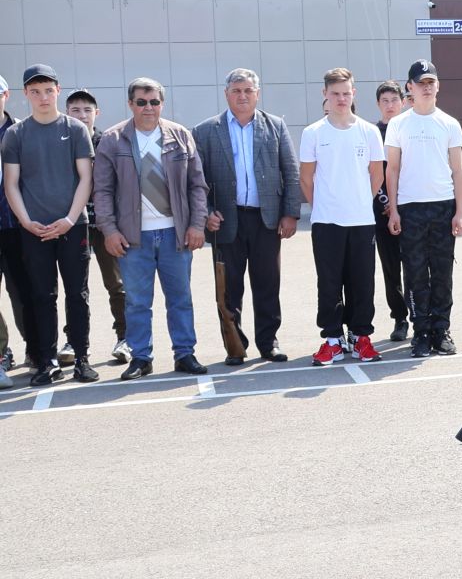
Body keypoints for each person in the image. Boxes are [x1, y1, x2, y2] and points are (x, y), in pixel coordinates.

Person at [91, 78, 211, 380]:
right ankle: (141, 358)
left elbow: (197, 185)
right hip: (134, 239)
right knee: (137, 302)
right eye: (142, 102)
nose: (148, 107)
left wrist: (197, 224)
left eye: (154, 102)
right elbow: (102, 190)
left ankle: (185, 354)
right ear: (130, 104)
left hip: (175, 234)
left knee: (180, 298)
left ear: (162, 103)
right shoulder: (113, 139)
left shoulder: (181, 136)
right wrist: (109, 230)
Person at [193, 69, 302, 365]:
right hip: (225, 221)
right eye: (237, 90)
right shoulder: (205, 130)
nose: (243, 96)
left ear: (257, 93)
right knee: (229, 287)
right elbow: (196, 180)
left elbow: (291, 173)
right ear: (226, 94)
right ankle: (235, 345)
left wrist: (290, 213)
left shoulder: (275, 126)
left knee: (267, 283)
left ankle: (268, 342)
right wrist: (205, 213)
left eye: (248, 90)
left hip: (265, 220)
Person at [1, 64, 97, 386]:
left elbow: (85, 178)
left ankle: (82, 358)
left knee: (77, 294)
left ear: (57, 91)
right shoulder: (16, 134)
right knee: (42, 295)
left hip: (73, 227)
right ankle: (47, 361)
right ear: (26, 94)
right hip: (34, 231)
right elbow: (11, 184)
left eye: (48, 90)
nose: (42, 97)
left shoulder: (76, 129)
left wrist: (70, 219)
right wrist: (26, 221)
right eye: (35, 91)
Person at [300, 68, 385, 365]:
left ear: (353, 93)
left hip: (362, 220)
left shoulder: (369, 131)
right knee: (329, 282)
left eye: (346, 93)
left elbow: (377, 174)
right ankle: (333, 340)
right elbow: (306, 179)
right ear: (325, 94)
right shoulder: (313, 133)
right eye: (335, 93)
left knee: (362, 281)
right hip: (326, 222)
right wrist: (323, 205)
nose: (341, 98)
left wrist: (360, 201)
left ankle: (361, 338)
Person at [383, 60, 462, 357]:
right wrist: (393, 209)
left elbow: (458, 171)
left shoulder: (449, 123)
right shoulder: (398, 124)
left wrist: (459, 212)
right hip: (410, 208)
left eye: (431, 82)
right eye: (421, 83)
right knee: (415, 273)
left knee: (442, 273)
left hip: (443, 207)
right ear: (410, 87)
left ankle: (441, 330)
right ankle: (421, 331)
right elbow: (391, 170)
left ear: (437, 86)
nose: (427, 87)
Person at [64, 88, 130, 365]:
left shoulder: (108, 142)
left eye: (87, 110)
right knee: (75, 287)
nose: (81, 115)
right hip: (72, 223)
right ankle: (75, 340)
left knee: (116, 283)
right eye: (75, 110)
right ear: (67, 113)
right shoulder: (61, 142)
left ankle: (126, 337)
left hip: (105, 224)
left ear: (96, 113)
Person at [372, 80, 411, 343]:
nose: (389, 106)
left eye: (393, 100)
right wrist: (387, 202)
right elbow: (373, 173)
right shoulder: (372, 133)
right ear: (378, 104)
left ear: (402, 101)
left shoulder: (410, 129)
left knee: (415, 266)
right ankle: (399, 317)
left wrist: (399, 202)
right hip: (381, 211)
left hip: (410, 209)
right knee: (390, 268)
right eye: (384, 101)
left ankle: (419, 314)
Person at [0, 73, 23, 383]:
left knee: (25, 293)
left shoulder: (20, 132)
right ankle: (2, 352)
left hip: (19, 226)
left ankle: (38, 350)